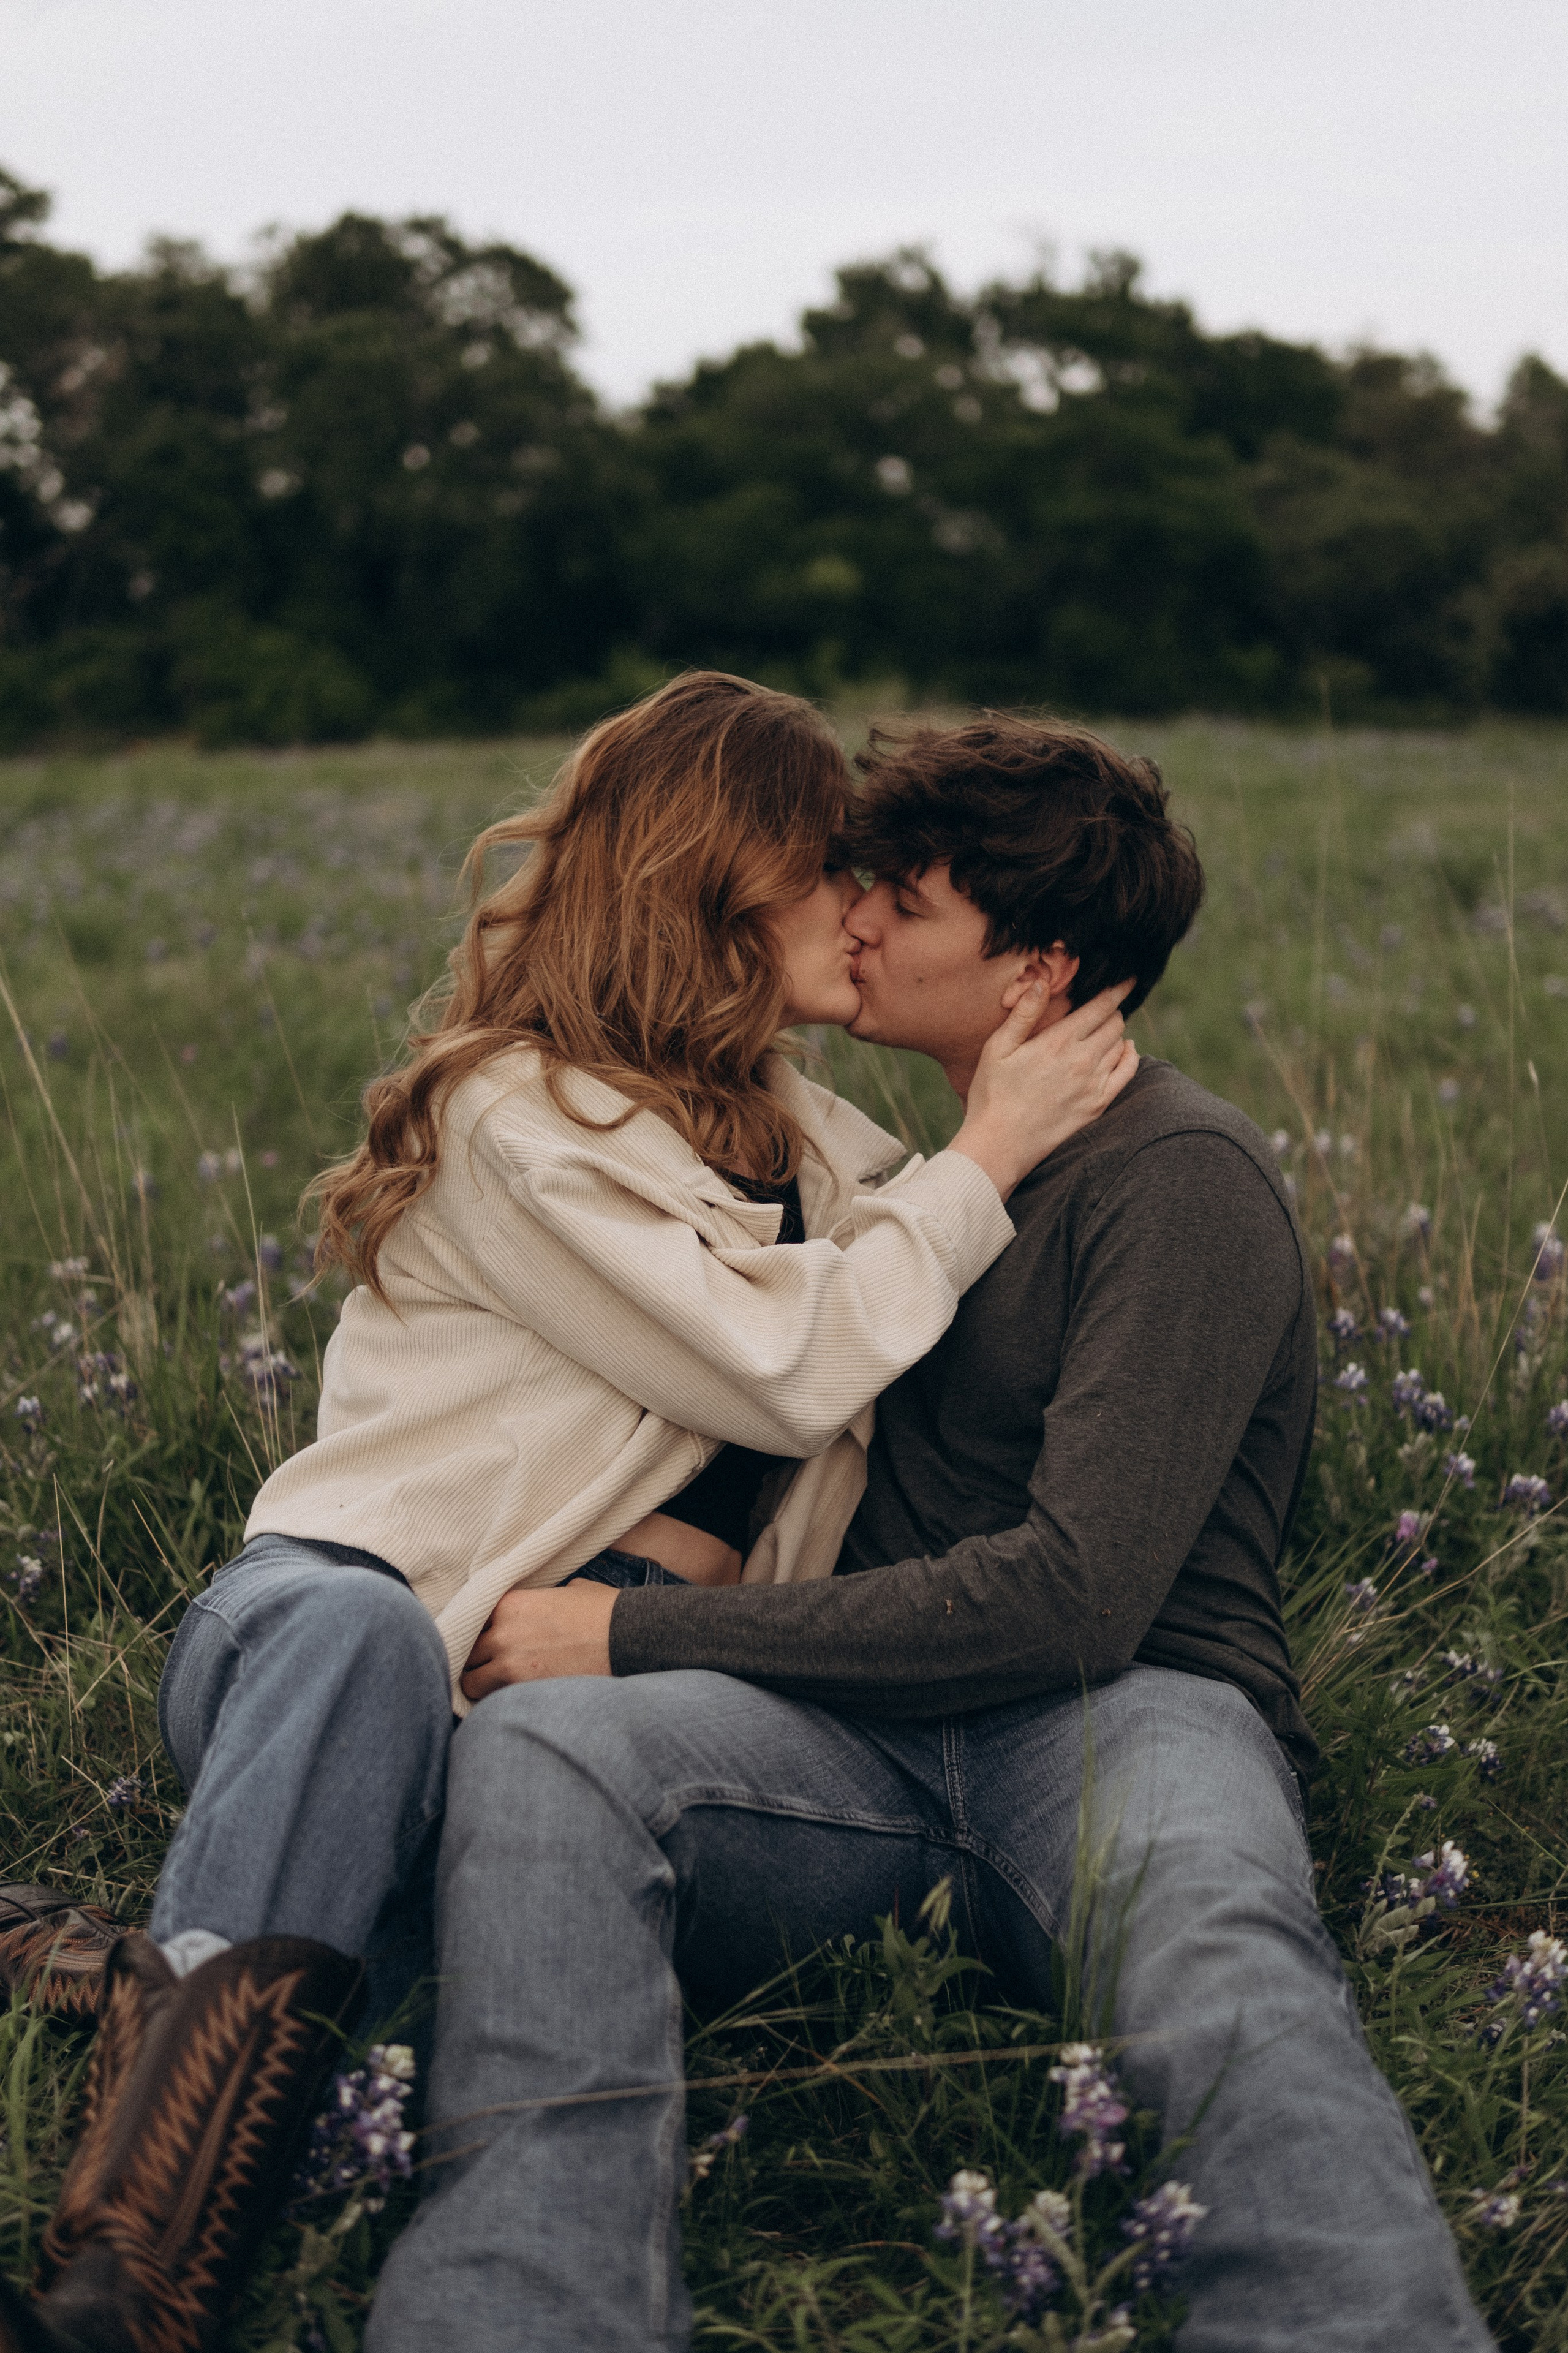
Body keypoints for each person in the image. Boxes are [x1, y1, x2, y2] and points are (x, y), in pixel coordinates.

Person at [0, 676, 1133, 2353]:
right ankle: (131, 2280)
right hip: (330, 1631)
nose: (866, 907)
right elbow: (786, 1361)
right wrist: (990, 1151)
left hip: (544, 1701)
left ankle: (132, 1966)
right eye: (832, 867)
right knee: (364, 1630)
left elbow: (915, 1306)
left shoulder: (822, 1151)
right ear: (715, 885)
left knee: (392, 2025)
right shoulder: (516, 1120)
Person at [368, 714, 1494, 2353]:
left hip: (1131, 1712)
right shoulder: (910, 1172)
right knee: (545, 1756)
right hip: (859, 1740)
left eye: (910, 893)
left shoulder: (1179, 1174)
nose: (858, 913)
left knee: (1210, 1934)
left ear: (1038, 970)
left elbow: (1077, 1598)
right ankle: (528, 2302)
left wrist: (631, 1633)